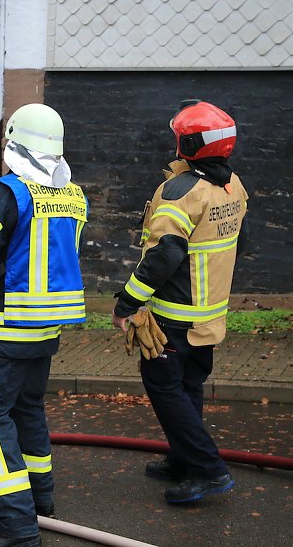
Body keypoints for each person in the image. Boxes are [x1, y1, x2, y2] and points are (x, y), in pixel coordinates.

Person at [0, 103, 88, 547]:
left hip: (5, 333)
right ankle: (40, 500)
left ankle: (15, 525)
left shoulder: (6, 193)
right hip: (47, 333)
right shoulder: (74, 197)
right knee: (29, 411)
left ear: (16, 145)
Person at [112, 100, 248, 504]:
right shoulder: (232, 185)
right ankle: (182, 458)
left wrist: (127, 303)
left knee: (165, 388)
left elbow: (162, 256)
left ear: (187, 144)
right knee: (188, 387)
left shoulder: (180, 192)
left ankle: (208, 470)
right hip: (209, 317)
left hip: (176, 318)